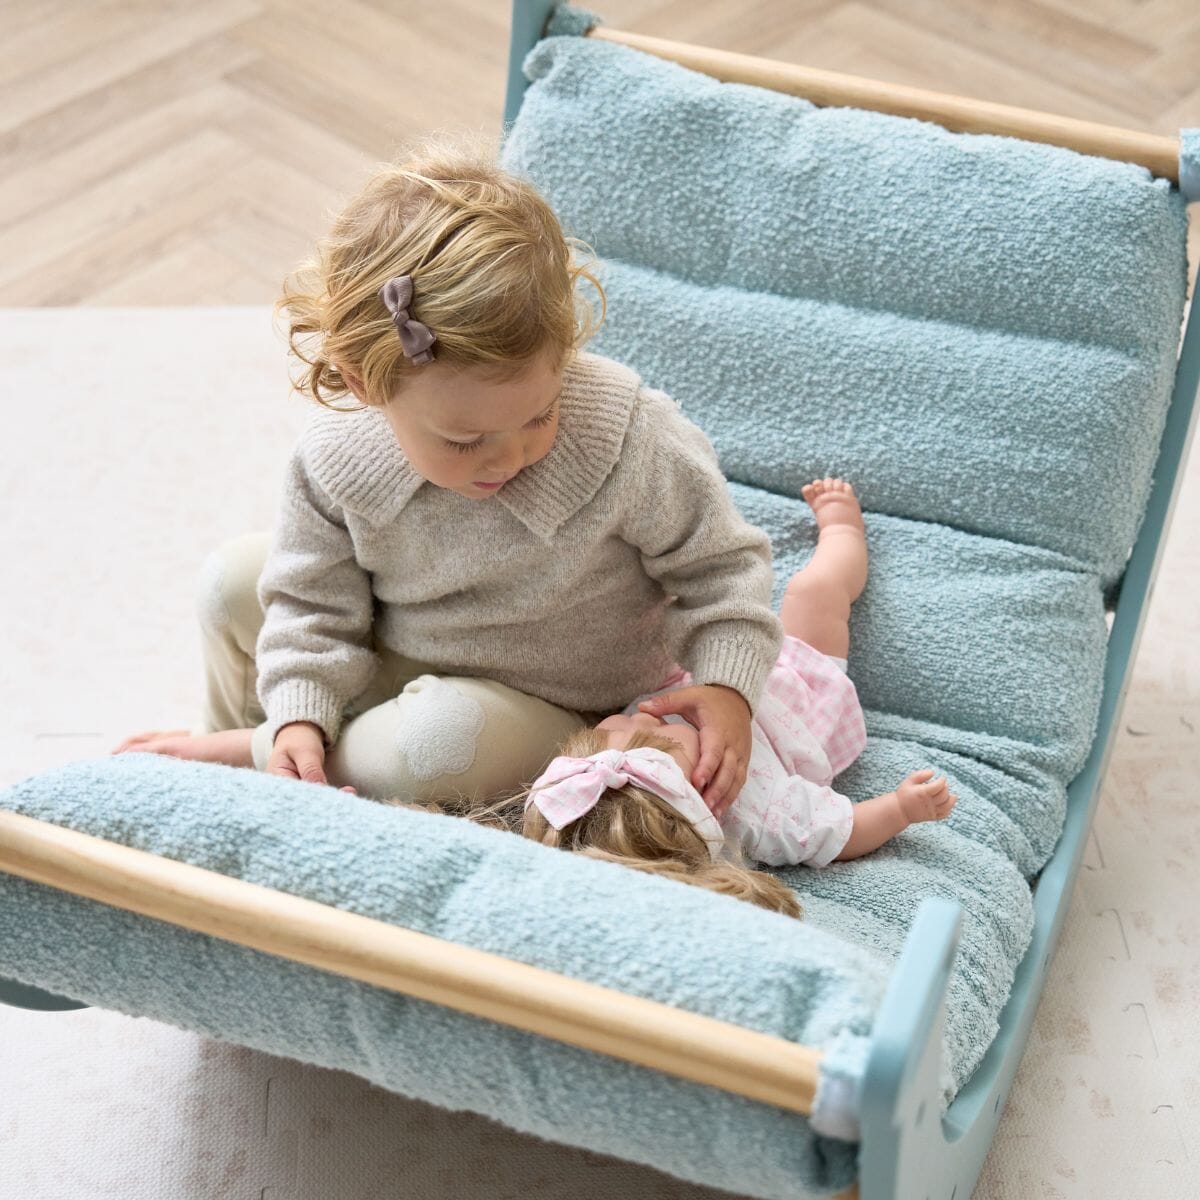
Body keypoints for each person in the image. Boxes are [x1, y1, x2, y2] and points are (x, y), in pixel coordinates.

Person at [112, 130, 783, 815]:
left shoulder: (632, 438)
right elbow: (312, 606)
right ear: (364, 384)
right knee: (230, 584)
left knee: (434, 746)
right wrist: (298, 714)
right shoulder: (335, 461)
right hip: (394, 660)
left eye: (538, 415)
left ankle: (245, 762)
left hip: (553, 710)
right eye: (465, 440)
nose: (508, 457)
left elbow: (724, 573)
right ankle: (275, 750)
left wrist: (728, 691)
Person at [385, 479, 957, 920]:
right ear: (709, 788)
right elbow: (840, 831)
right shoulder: (762, 812)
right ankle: (842, 531)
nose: (622, 719)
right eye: (647, 737)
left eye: (603, 734)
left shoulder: (581, 803)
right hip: (796, 692)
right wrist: (902, 810)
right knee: (815, 591)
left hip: (708, 672)